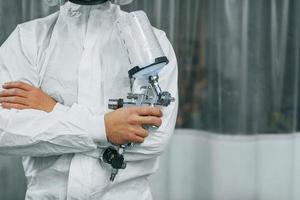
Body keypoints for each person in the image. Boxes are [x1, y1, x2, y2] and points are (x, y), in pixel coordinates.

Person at [0, 0, 178, 199]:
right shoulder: (28, 39)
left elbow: (156, 139)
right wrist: (104, 128)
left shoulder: (151, 42)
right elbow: (5, 132)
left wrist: (54, 110)